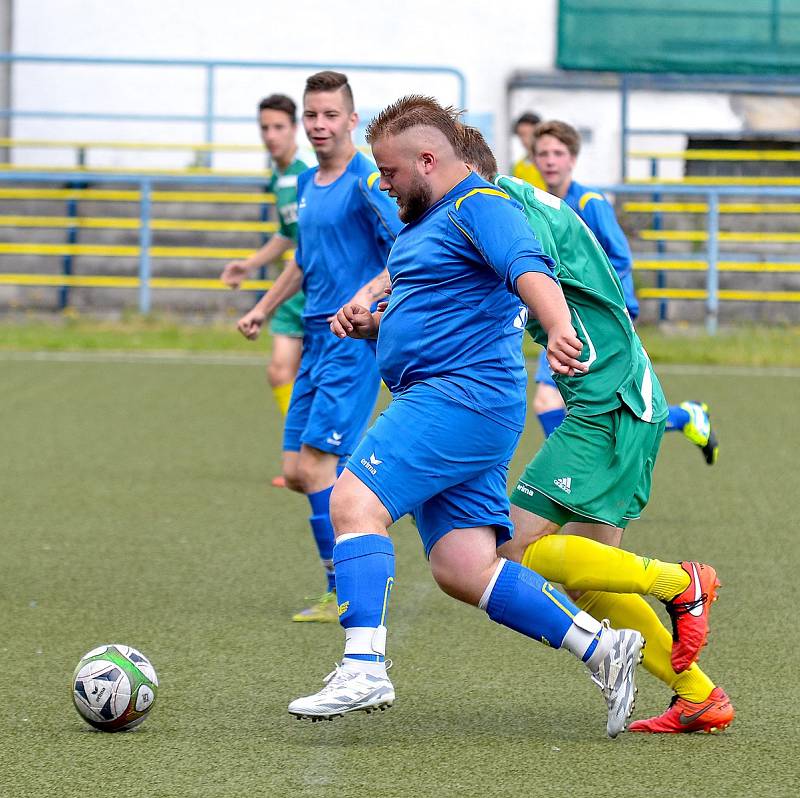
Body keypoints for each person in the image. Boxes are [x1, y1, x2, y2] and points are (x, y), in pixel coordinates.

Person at [287, 95, 646, 739]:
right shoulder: (428, 223)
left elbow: (527, 266)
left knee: (352, 503)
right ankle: (601, 647)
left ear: (428, 160)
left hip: (457, 396)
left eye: (391, 172)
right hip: (459, 399)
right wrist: (376, 326)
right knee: (464, 567)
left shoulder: (479, 204)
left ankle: (363, 664)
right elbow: (440, 312)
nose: (385, 183)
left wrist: (560, 325)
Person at [459, 126, 734, 734]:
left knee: (515, 546)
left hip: (604, 404)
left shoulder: (501, 211)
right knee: (591, 579)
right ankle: (699, 696)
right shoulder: (525, 204)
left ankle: (679, 581)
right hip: (627, 396)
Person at [236, 72, 403, 623]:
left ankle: (348, 590)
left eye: (330, 115)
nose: (319, 125)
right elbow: (303, 260)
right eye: (312, 115)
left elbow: (405, 251)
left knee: (315, 464)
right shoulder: (307, 181)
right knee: (298, 469)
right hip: (311, 337)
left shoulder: (367, 181)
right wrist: (263, 306)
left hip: (350, 341)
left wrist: (369, 301)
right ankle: (369, 523)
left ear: (352, 120)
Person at [530, 120, 719, 465]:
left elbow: (619, 259)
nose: (550, 160)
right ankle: (686, 417)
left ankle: (572, 474)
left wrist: (617, 310)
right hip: (567, 319)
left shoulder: (589, 202)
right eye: (543, 153)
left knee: (562, 401)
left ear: (572, 158)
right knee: (604, 407)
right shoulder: (541, 204)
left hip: (601, 318)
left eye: (558, 153)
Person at [221, 94, 312, 489]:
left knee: (332, 376)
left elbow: (314, 243)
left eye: (279, 127)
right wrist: (252, 263)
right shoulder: (278, 176)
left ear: (294, 129)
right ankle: (303, 457)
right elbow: (288, 234)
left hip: (319, 288)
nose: (271, 135)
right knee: (280, 371)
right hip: (294, 288)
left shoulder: (308, 172)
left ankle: (325, 459)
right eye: (265, 128)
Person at [512, 111, 546, 189]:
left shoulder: (552, 162)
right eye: (521, 135)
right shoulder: (518, 166)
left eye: (528, 134)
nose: (524, 139)